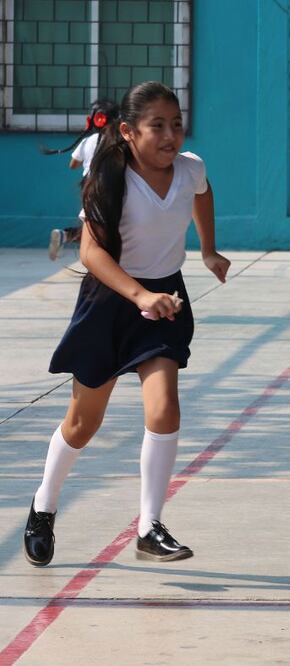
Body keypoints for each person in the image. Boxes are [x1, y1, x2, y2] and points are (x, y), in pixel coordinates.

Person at [22, 81, 231, 567]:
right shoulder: (110, 176)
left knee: (165, 409)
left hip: (165, 301)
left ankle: (149, 527)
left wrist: (208, 248)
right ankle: (43, 506)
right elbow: (91, 252)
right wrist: (138, 295)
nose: (170, 135)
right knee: (82, 422)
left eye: (176, 124)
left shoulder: (190, 168)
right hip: (111, 302)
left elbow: (202, 192)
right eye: (157, 125)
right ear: (128, 132)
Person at [44, 99, 118, 261]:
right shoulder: (117, 141)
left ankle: (66, 236)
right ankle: (69, 237)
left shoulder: (87, 141)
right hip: (108, 186)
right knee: (101, 229)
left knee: (95, 226)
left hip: (89, 186)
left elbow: (73, 165)